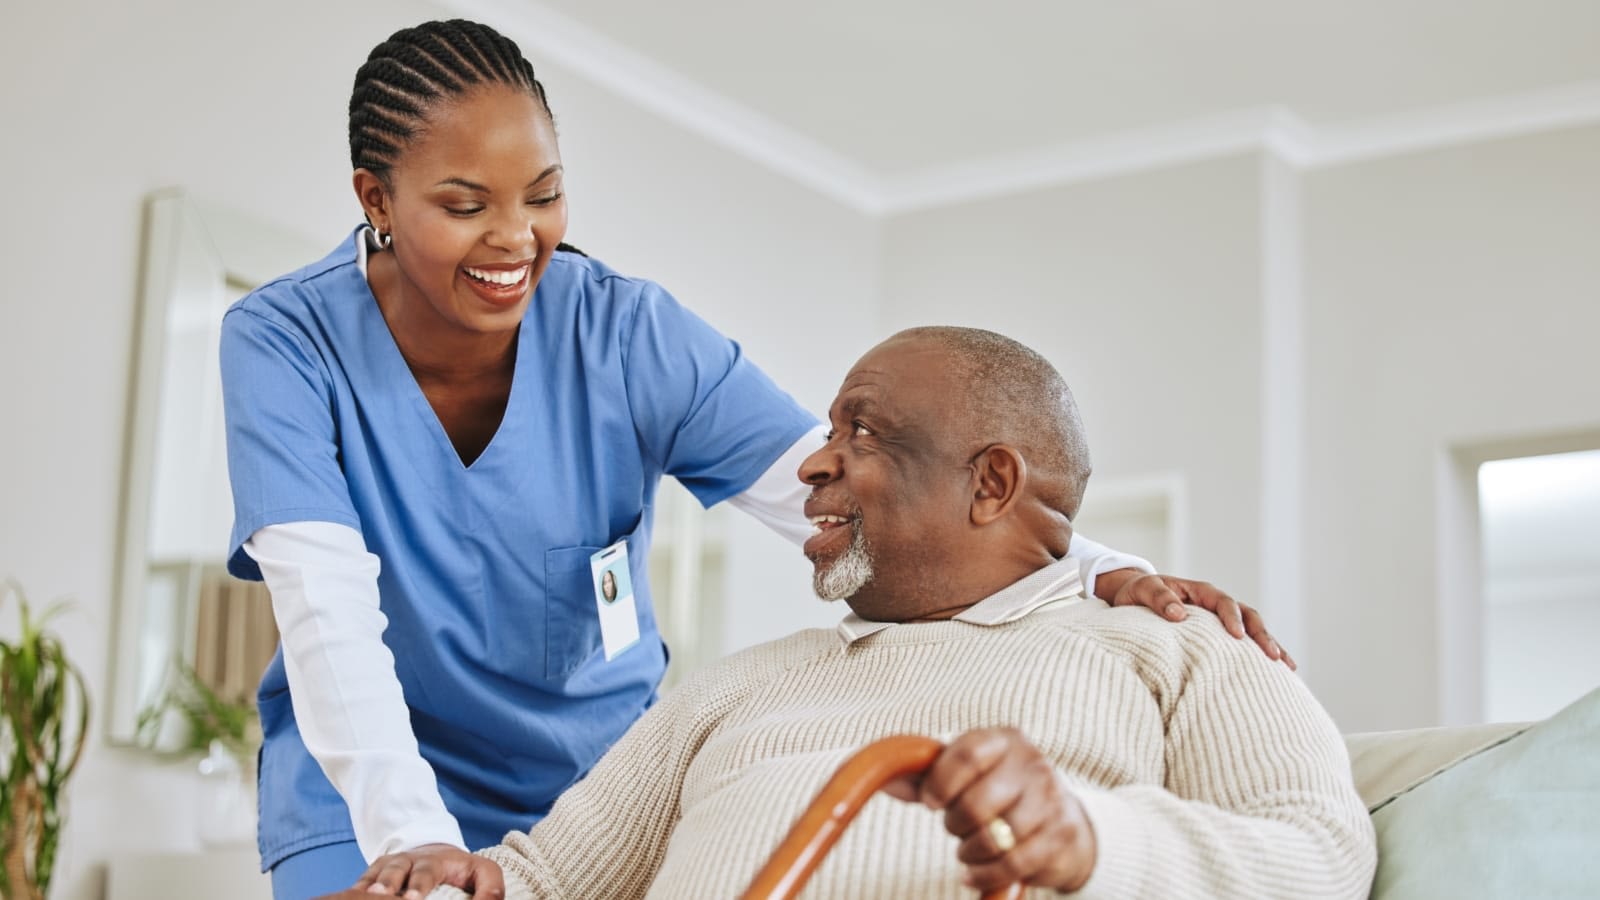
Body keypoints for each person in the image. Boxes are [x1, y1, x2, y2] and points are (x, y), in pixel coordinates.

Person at [220, 20, 1292, 899]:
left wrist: (1091, 564)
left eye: (543, 195)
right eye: (465, 206)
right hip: (366, 793)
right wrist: (418, 848)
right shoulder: (283, 343)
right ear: (376, 201)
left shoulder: (626, 336)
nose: (516, 240)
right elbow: (328, 619)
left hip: (588, 795)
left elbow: (841, 491)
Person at [328, 327, 1372, 900]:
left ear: (991, 484)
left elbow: (1321, 857)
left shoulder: (1180, 647)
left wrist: (1093, 843)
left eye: (861, 433)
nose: (814, 461)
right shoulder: (741, 683)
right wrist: (459, 885)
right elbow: (545, 880)